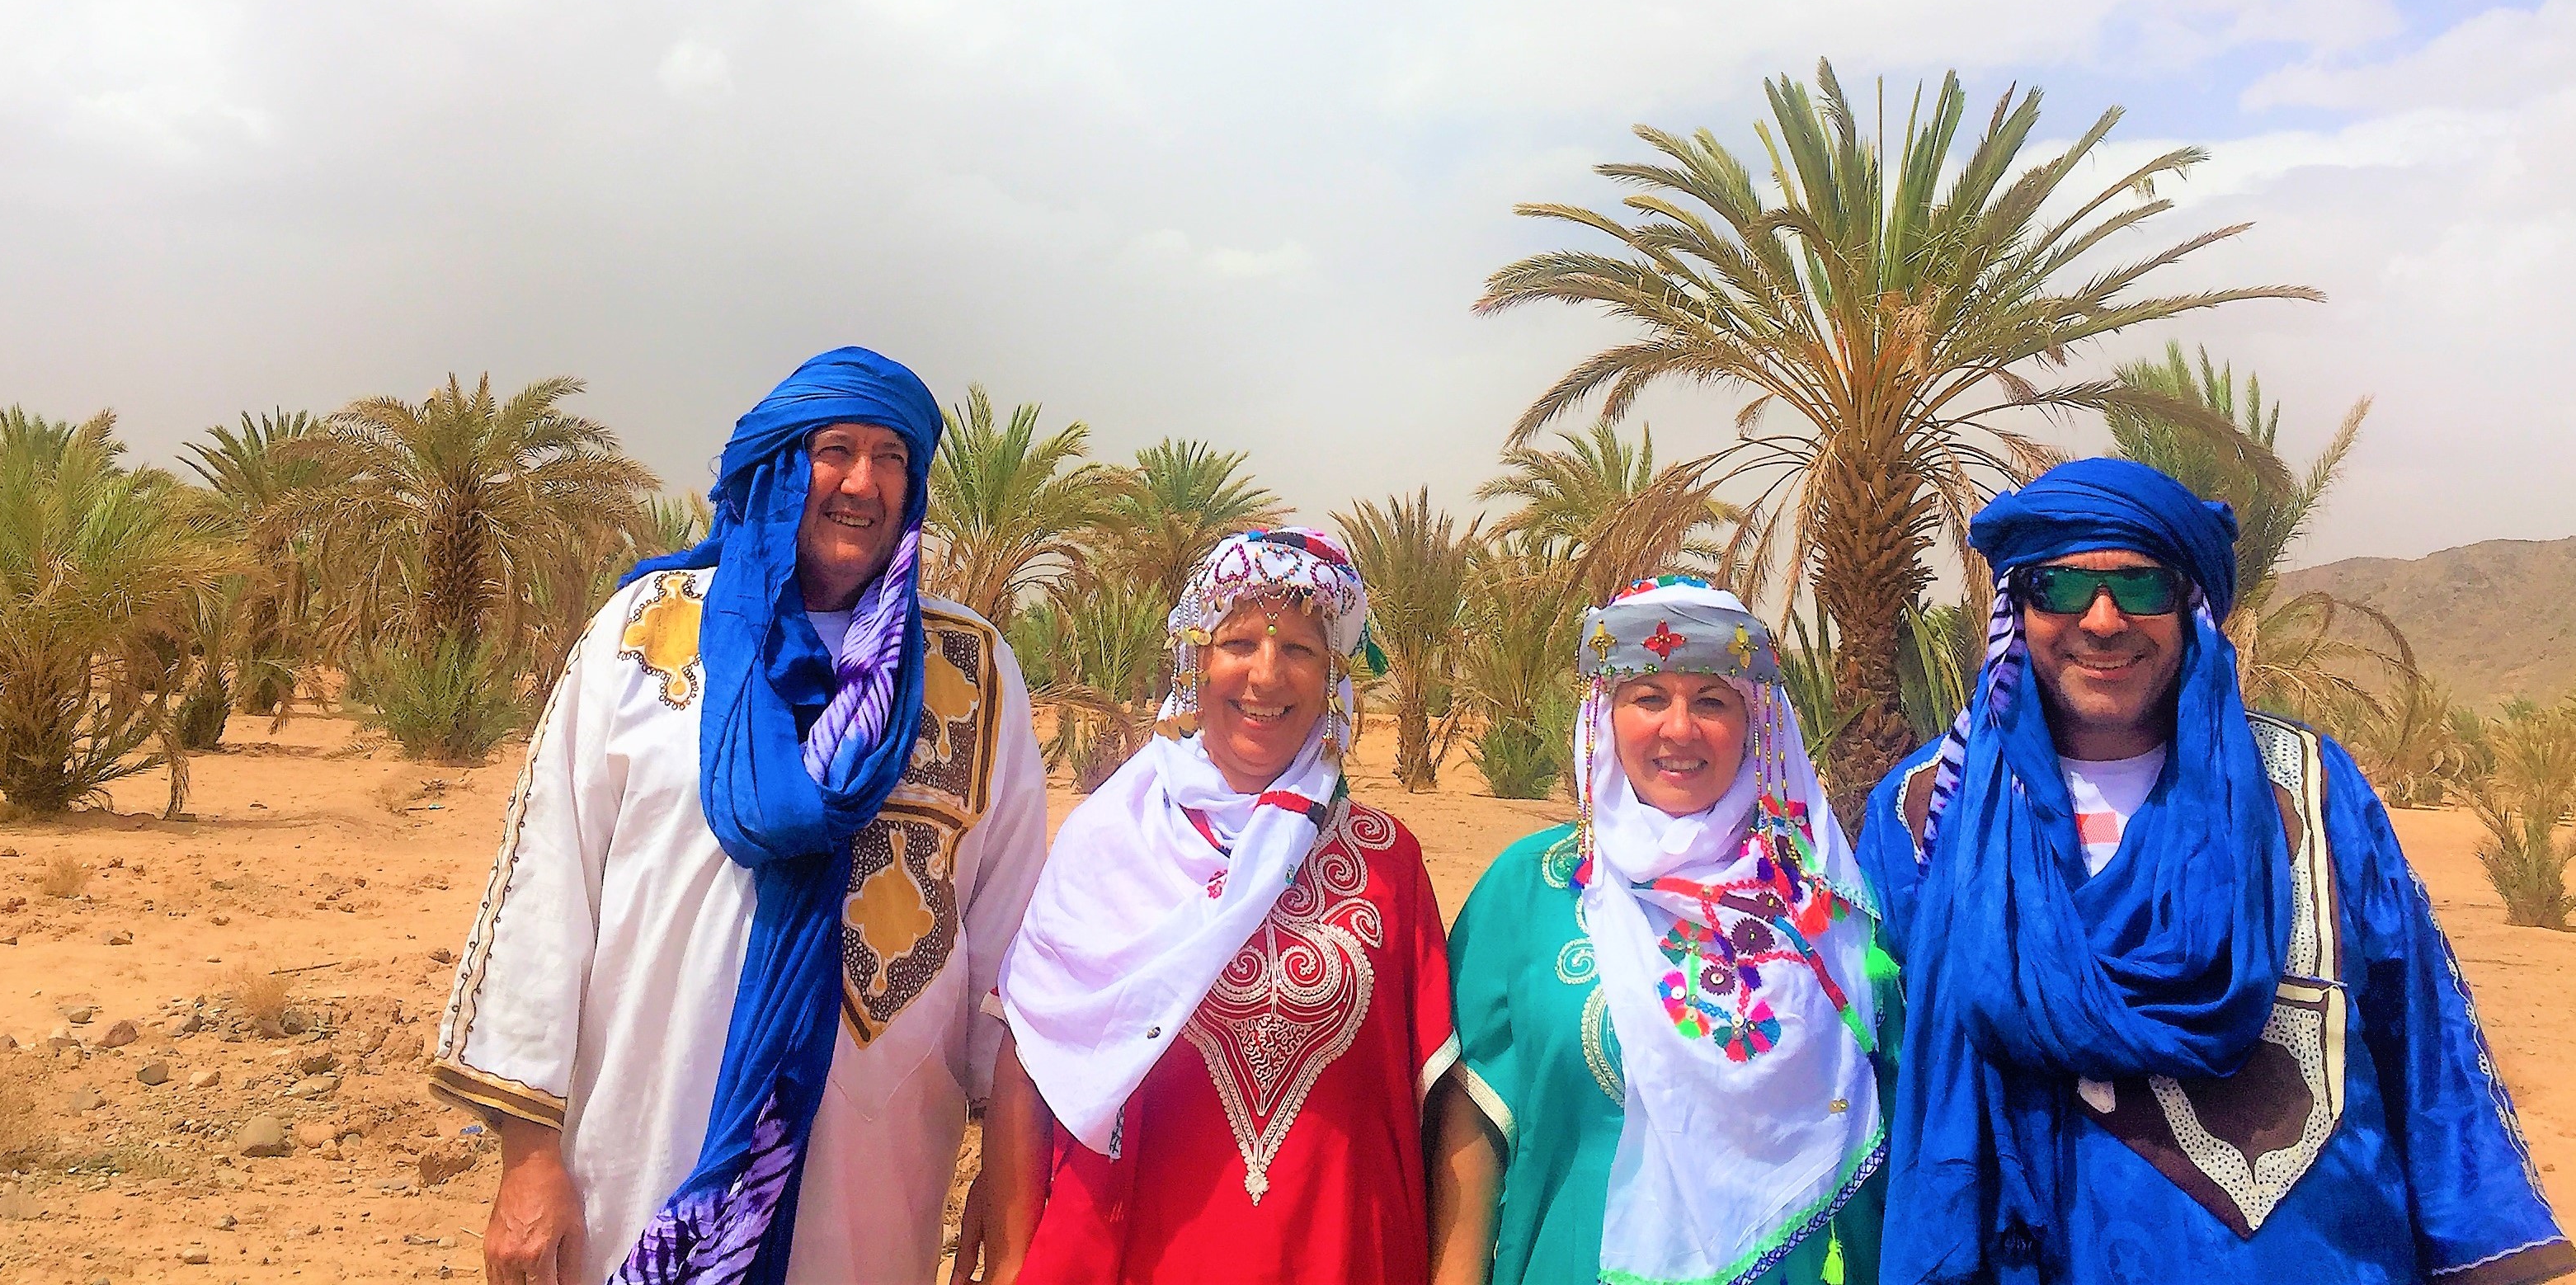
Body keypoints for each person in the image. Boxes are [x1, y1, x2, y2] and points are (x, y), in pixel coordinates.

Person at [1858, 457, 2570, 1284]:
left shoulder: (2304, 784)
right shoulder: (1924, 811)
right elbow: (1884, 1061)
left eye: (2141, 586)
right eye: (2057, 587)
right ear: (2017, 608)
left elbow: (2423, 1031)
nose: (2099, 618)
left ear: (2190, 604)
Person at [429, 347, 1048, 1285]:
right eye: (834, 449)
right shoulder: (643, 632)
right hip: (641, 1154)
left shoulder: (969, 668)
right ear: (777, 464)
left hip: (876, 1188)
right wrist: (527, 1156)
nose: (862, 482)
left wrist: (1007, 1196)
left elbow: (1015, 944)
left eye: (891, 457)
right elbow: (544, 892)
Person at [970, 528, 1459, 1284]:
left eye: (1299, 649)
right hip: (1125, 1251)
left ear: (1333, 679)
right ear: (1196, 661)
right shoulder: (1110, 838)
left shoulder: (1385, 861)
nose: (1265, 675)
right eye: (1238, 643)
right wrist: (1008, 1261)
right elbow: (1026, 1060)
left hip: (1330, 1252)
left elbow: (1434, 1100)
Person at [1433, 577, 1895, 1285]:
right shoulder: (1533, 885)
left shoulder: (1823, 902)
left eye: (1710, 701)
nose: (1679, 729)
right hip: (1577, 1256)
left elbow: (1882, 1109)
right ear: (1604, 717)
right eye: (1648, 697)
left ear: (1755, 725)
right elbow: (1475, 1121)